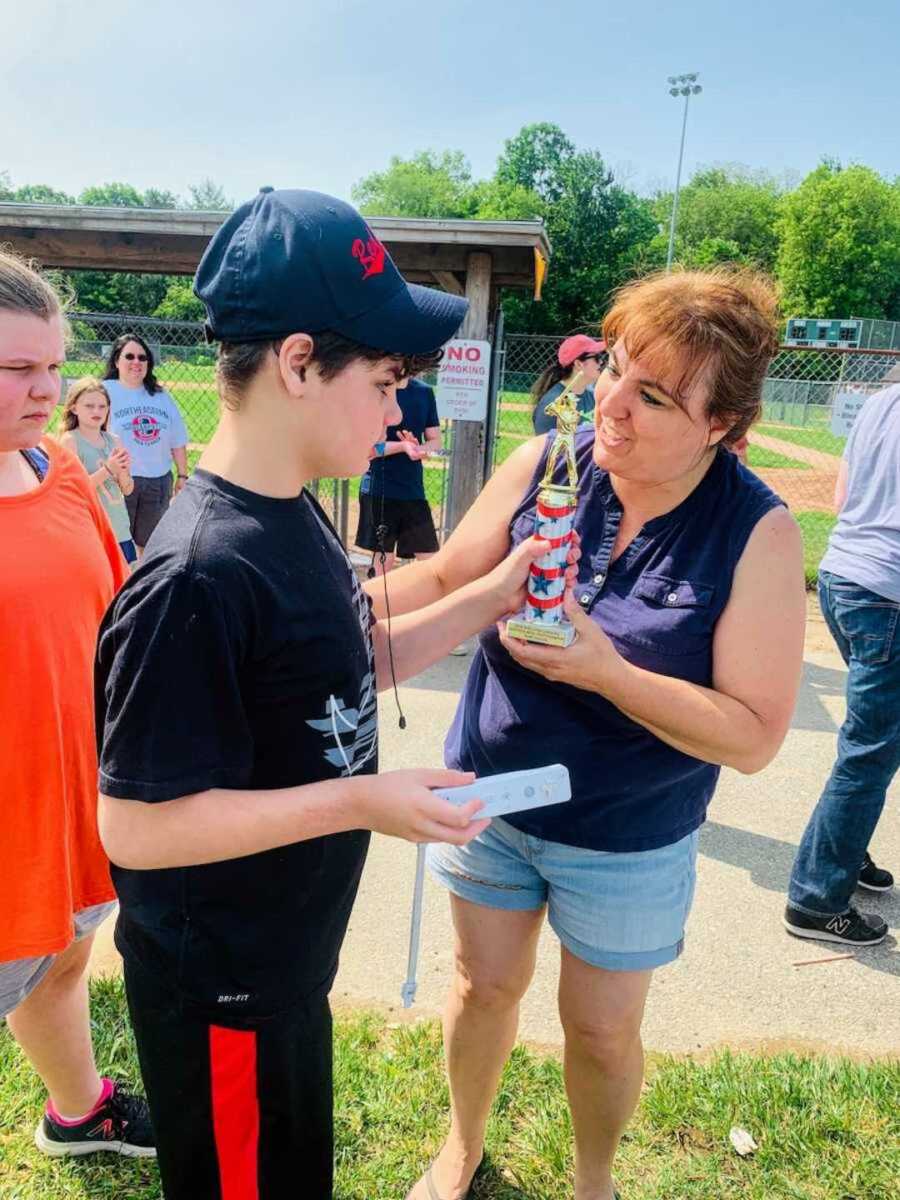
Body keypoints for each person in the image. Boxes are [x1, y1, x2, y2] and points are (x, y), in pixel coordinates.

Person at [93, 188, 578, 1200]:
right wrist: (365, 801)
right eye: (389, 380)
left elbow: (349, 663)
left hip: (282, 970)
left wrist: (491, 598)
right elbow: (136, 829)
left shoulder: (297, 512)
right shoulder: (196, 576)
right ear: (299, 363)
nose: (402, 410)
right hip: (221, 985)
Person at [370, 268, 807, 1200]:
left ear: (724, 428)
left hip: (628, 836)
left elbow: (755, 735)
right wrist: (320, 610)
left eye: (652, 396)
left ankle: (593, 1179)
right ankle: (461, 1146)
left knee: (601, 1029)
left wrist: (609, 672)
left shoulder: (755, 531)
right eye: (612, 369)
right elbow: (448, 575)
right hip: (488, 794)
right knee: (480, 987)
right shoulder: (545, 463)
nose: (610, 404)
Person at [0, 248, 154, 1158]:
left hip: (72, 812)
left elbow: (113, 613)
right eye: (18, 368)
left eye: (55, 365)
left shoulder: (58, 464)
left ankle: (76, 1110)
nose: (45, 388)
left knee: (64, 960)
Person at [784, 382, 899, 946]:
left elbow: (842, 499)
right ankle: (816, 900)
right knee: (869, 754)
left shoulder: (882, 401)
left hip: (843, 578)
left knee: (869, 746)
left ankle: (843, 851)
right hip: (887, 597)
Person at [103, 333, 188, 555]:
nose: (136, 362)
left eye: (142, 358)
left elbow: (177, 439)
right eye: (129, 356)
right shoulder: (105, 391)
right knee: (116, 543)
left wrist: (182, 475)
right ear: (116, 361)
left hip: (157, 479)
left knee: (149, 545)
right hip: (119, 479)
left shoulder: (160, 395)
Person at [356, 372, 442, 574]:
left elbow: (435, 441)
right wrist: (402, 446)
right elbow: (369, 449)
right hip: (380, 488)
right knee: (383, 557)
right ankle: (373, 604)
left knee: (428, 557)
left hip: (412, 490)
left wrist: (418, 449)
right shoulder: (377, 389)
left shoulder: (424, 392)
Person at [58, 376, 137, 566]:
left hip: (119, 527)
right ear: (74, 408)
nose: (97, 411)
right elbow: (74, 490)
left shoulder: (114, 440)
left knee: (125, 586)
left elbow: (127, 490)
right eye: (89, 406)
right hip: (92, 528)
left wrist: (124, 472)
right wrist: (109, 469)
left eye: (102, 406)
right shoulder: (70, 441)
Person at [531, 333, 606, 435]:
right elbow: (547, 447)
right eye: (596, 358)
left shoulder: (592, 397)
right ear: (579, 364)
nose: (601, 362)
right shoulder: (555, 403)